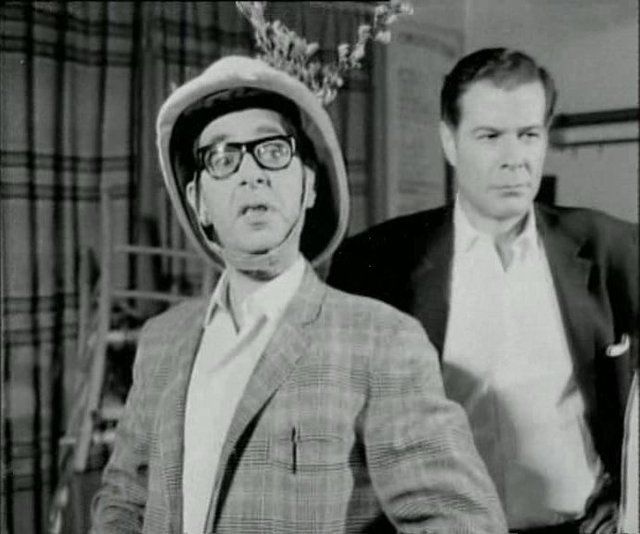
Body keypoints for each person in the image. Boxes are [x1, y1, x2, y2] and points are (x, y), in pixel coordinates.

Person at [90, 52, 507, 533]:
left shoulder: (380, 340)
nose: (251, 174)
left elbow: (463, 523)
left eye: (272, 151)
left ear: (308, 185)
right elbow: (123, 498)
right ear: (198, 202)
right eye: (223, 159)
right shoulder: (162, 340)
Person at [328, 48, 638, 534]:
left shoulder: (612, 248)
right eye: (490, 136)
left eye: (529, 135)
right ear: (449, 141)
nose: (515, 160)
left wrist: (628, 500)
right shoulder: (378, 263)